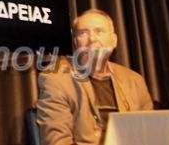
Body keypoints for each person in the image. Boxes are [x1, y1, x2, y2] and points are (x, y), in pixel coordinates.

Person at [36, 9, 153, 145]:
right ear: (76, 42)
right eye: (83, 33)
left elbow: (150, 133)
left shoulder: (135, 81)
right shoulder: (56, 79)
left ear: (114, 40)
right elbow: (57, 141)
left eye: (99, 31)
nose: (92, 39)